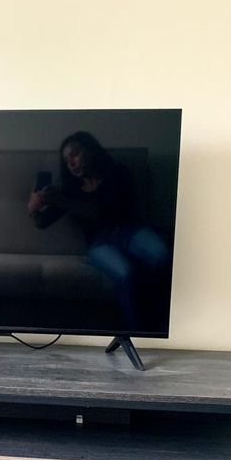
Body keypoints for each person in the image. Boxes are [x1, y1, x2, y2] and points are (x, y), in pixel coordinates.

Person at [28, 131, 170, 330]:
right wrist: (33, 207)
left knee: (162, 255)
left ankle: (164, 323)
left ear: (90, 150)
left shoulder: (118, 173)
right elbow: (42, 223)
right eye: (67, 161)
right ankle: (138, 332)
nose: (72, 163)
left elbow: (105, 211)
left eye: (75, 154)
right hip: (100, 243)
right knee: (127, 273)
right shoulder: (70, 189)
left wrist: (62, 201)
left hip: (130, 230)